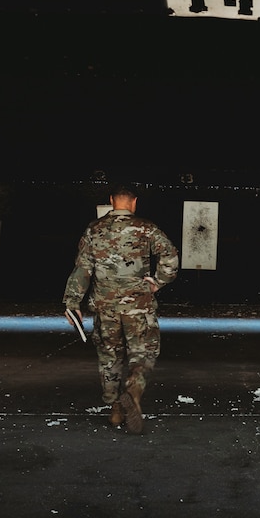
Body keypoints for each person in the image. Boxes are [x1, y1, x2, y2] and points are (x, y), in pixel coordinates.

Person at [63, 183, 179, 434]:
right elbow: (170, 254)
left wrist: (72, 303)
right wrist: (159, 282)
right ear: (134, 202)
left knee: (109, 358)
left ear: (112, 201)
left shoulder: (94, 229)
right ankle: (134, 391)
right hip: (138, 305)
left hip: (105, 307)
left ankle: (115, 409)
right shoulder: (146, 227)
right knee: (143, 352)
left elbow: (82, 269)